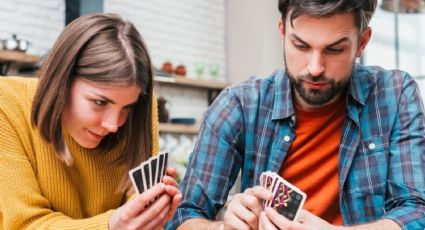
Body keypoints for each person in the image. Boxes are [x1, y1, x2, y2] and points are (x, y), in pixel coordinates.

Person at [167, 0, 425, 229]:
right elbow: (183, 216)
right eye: (300, 45)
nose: (315, 68)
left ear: (362, 42)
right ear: (282, 32)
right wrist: (223, 227)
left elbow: (417, 211)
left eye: (335, 50)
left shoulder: (395, 94)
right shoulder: (238, 105)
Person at [0, 13, 182, 229]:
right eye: (99, 102)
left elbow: (134, 198)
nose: (113, 125)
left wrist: (150, 210)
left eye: (127, 107)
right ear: (62, 81)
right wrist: (111, 225)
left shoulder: (140, 110)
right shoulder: (6, 103)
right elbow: (23, 224)